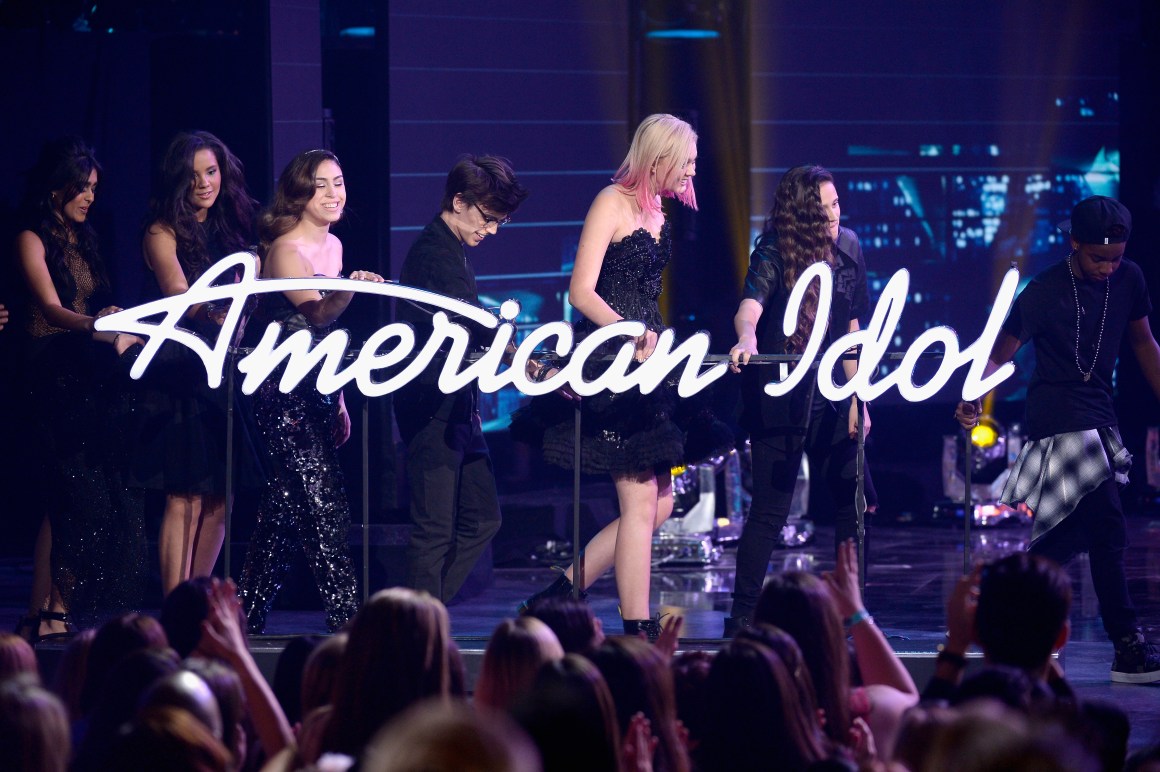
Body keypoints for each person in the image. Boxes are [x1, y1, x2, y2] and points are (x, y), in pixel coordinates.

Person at [955, 195, 1160, 683]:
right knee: (1108, 526)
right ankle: (1127, 647)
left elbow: (1143, 344)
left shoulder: (1129, 278)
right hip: (1058, 417)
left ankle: (1003, 615)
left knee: (1066, 538)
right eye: (1097, 258)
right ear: (1073, 243)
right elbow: (999, 355)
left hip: (1099, 413)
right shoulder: (1044, 290)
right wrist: (971, 398)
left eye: (1115, 257)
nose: (1108, 267)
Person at [514, 114, 702, 639]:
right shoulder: (611, 202)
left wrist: (652, 339)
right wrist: (629, 332)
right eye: (685, 161)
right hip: (611, 358)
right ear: (659, 157)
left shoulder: (660, 210)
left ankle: (557, 596)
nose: (691, 171)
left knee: (660, 501)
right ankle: (636, 625)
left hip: (648, 360)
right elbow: (581, 291)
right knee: (640, 498)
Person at [237, 148, 382, 634]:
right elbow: (319, 313)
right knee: (324, 506)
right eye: (321, 185)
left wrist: (337, 396)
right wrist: (350, 288)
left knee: (281, 513)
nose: (333, 194)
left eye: (338, 183)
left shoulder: (334, 246)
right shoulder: (285, 250)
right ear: (299, 193)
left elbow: (325, 339)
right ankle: (349, 623)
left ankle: (241, 616)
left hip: (319, 389)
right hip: (284, 395)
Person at [725, 163, 873, 635]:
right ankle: (743, 617)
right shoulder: (774, 248)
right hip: (783, 395)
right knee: (770, 510)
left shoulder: (849, 247)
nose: (835, 214)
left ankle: (853, 612)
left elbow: (853, 328)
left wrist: (858, 397)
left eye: (837, 204)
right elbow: (750, 306)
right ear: (803, 213)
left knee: (855, 499)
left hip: (834, 391)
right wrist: (747, 338)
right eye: (824, 206)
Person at [12, 137, 146, 639]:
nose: (90, 196)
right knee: (77, 496)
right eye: (81, 187)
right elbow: (49, 309)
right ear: (56, 187)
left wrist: (110, 317)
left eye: (94, 188)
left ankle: (42, 611)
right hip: (49, 377)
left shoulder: (86, 240)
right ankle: (56, 609)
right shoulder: (32, 236)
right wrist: (95, 325)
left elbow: (95, 308)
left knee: (74, 499)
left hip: (87, 375)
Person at [394, 154, 528, 604]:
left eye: (499, 223)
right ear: (458, 201)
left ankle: (419, 612)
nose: (490, 231)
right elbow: (473, 320)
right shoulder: (435, 253)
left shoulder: (453, 249)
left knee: (484, 518)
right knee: (433, 530)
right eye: (488, 219)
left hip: (457, 405)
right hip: (430, 405)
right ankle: (413, 633)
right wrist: (524, 358)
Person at [138, 130, 261, 596]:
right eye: (193, 176)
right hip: (182, 367)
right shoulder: (160, 230)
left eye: (211, 172)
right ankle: (174, 603)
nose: (204, 183)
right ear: (177, 180)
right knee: (184, 492)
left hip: (226, 365)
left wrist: (244, 313)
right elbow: (177, 295)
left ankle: (198, 597)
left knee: (221, 494)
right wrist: (219, 312)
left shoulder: (232, 229)